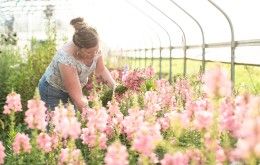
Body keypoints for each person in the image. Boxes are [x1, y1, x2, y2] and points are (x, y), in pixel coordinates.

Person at [38, 17, 116, 111]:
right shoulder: (66, 59)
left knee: (73, 120)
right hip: (52, 90)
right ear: (78, 48)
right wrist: (94, 118)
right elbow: (79, 100)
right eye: (89, 52)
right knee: (56, 123)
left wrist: (115, 88)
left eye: (96, 50)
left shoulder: (93, 48)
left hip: (74, 88)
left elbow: (101, 70)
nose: (95, 54)